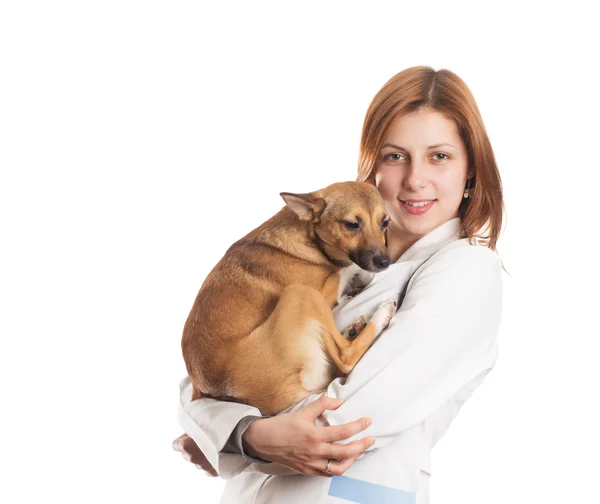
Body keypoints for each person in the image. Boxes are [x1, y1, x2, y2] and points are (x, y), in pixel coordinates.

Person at [172, 65, 504, 504]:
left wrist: (234, 436)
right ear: (373, 167)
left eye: (439, 156)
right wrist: (235, 431)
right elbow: (209, 378)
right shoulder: (341, 266)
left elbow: (348, 422)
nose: (414, 179)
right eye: (395, 155)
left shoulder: (466, 271)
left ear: (471, 171)